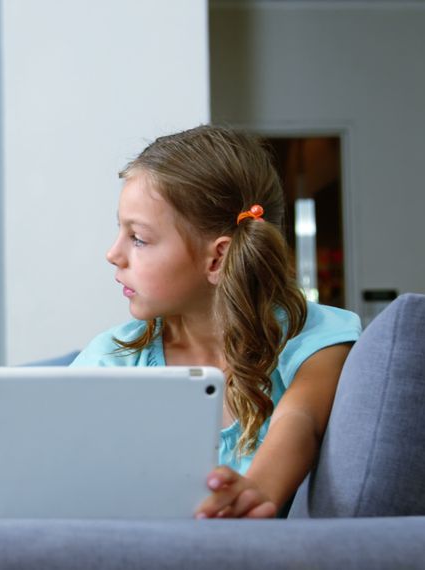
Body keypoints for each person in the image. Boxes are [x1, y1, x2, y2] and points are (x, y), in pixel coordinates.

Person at [71, 125, 360, 518]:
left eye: (137, 237)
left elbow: (302, 416)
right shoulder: (110, 357)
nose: (113, 253)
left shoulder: (313, 337)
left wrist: (258, 488)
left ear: (217, 259)